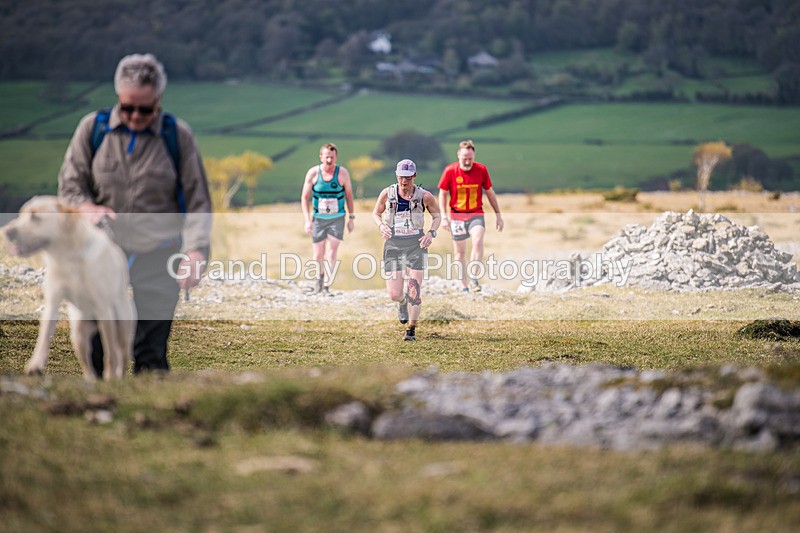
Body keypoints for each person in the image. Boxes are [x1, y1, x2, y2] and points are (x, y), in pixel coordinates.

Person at [58, 53, 212, 376]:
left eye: (145, 108)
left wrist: (196, 250)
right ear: (117, 97)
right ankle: (101, 409)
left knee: (151, 355)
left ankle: (150, 414)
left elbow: (198, 201)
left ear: (159, 100)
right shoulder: (92, 130)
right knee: (98, 348)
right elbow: (70, 187)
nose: (135, 116)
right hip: (101, 252)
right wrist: (86, 207)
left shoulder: (177, 137)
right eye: (127, 107)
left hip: (159, 252)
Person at [372, 159, 441, 341]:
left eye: (408, 178)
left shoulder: (425, 196)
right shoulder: (387, 193)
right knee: (395, 293)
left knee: (414, 290)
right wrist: (381, 226)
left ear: (414, 176)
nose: (404, 182)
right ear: (396, 176)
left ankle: (411, 330)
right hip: (393, 244)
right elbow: (376, 213)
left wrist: (431, 233)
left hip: (416, 245)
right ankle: (402, 303)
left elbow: (437, 216)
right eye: (402, 177)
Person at [438, 139, 504, 292]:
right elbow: (442, 193)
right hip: (457, 216)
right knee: (460, 253)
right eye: (464, 158)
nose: (467, 162)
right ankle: (463, 284)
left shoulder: (481, 170)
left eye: (470, 158)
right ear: (458, 155)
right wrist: (443, 217)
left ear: (474, 156)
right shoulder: (450, 171)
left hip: (476, 213)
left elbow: (489, 192)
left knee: (478, 242)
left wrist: (498, 215)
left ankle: (474, 278)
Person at [300, 143, 355, 293]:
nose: (329, 160)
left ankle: (326, 285)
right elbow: (304, 198)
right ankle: (319, 278)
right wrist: (307, 220)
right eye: (326, 157)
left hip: (337, 218)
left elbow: (349, 196)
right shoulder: (313, 173)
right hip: (318, 217)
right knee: (318, 253)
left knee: (332, 251)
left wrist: (351, 217)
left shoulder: (342, 173)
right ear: (321, 157)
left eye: (332, 157)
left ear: (336, 157)